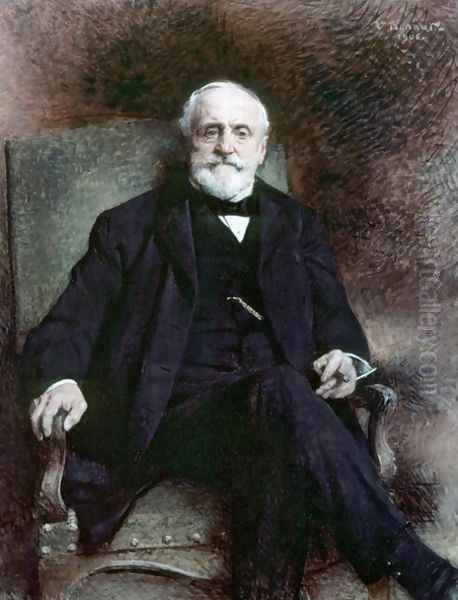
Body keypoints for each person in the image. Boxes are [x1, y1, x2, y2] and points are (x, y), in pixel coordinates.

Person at [20, 81, 458, 600]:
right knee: (281, 391)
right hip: (173, 421)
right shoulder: (128, 226)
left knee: (278, 429)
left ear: (261, 148)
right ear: (190, 142)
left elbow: (336, 320)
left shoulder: (297, 225)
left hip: (278, 420)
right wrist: (62, 380)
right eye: (211, 132)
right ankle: (419, 570)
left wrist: (348, 359)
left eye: (241, 133)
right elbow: (67, 324)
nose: (226, 146)